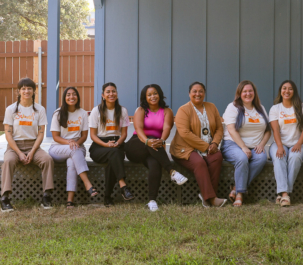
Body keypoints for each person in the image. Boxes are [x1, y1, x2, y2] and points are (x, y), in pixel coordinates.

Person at [124, 84, 188, 212]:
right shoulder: (141, 110)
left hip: (154, 146)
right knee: (153, 143)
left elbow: (166, 128)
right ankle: (172, 172)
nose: (152, 96)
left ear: (159, 94)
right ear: (145, 97)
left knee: (155, 164)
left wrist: (162, 140)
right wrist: (147, 141)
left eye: (155, 93)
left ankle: (152, 200)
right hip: (136, 144)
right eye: (149, 95)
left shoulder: (167, 111)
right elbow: (138, 129)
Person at [0, 77, 54, 212]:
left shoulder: (39, 110)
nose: (26, 91)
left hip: (33, 146)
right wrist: (19, 153)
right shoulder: (11, 109)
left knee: (47, 160)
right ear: (18, 91)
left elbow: (41, 133)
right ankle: (5, 198)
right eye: (23, 88)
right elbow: (8, 134)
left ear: (34, 91)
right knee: (8, 161)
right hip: (14, 146)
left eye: (29, 88)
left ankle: (47, 196)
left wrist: (32, 151)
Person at [170, 82, 227, 208]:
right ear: (189, 94)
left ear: (204, 93)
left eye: (200, 91)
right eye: (194, 91)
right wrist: (206, 147)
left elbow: (219, 128)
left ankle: (206, 195)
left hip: (208, 147)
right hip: (185, 149)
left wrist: (214, 143)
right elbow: (185, 133)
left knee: (217, 157)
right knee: (199, 163)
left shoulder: (211, 107)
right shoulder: (183, 110)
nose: (198, 94)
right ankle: (211, 198)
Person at [222, 80, 272, 207]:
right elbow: (231, 130)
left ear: (254, 93)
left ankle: (235, 187)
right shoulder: (232, 107)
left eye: (250, 91)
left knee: (261, 158)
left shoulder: (260, 108)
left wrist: (261, 145)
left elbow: (268, 131)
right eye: (244, 91)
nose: (248, 94)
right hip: (232, 144)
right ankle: (240, 194)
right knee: (242, 158)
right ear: (239, 93)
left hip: (255, 146)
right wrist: (243, 147)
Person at [48, 86, 99, 208]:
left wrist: (76, 143)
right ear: (64, 98)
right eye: (68, 94)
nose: (71, 97)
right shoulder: (58, 113)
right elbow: (55, 137)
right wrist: (69, 142)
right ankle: (88, 184)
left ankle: (70, 201)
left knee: (72, 163)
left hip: (77, 147)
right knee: (74, 150)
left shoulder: (82, 113)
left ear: (78, 97)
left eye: (74, 94)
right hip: (58, 148)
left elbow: (84, 136)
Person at [88, 82, 135, 207]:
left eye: (113, 91)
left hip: (116, 143)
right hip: (99, 145)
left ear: (117, 94)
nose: (111, 94)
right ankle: (123, 186)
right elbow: (92, 135)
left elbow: (124, 134)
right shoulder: (96, 111)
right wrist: (106, 145)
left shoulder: (122, 110)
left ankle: (107, 198)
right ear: (103, 95)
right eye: (108, 92)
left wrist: (117, 143)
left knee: (113, 159)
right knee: (115, 154)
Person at [268, 80, 303, 207]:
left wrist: (298, 144)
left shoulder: (302, 107)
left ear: (294, 92)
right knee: (279, 156)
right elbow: (275, 130)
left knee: (295, 157)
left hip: (298, 143)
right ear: (280, 91)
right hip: (279, 143)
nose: (287, 91)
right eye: (284, 88)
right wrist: (280, 146)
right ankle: (286, 194)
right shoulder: (275, 108)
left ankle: (282, 193)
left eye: (290, 89)